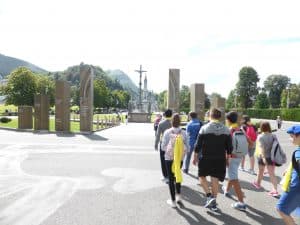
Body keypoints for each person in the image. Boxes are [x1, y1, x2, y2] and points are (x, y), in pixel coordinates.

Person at [193, 108, 232, 211]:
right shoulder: (226, 129)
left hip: (206, 157)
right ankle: (213, 203)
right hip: (220, 159)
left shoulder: (204, 128)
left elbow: (198, 145)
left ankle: (209, 196)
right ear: (219, 117)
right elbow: (229, 148)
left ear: (210, 116)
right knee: (215, 180)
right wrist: (228, 159)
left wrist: (195, 156)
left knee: (201, 177)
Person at [161, 113, 188, 207]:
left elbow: (163, 147)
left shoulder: (167, 132)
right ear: (180, 122)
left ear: (171, 121)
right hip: (179, 159)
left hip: (169, 158)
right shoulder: (184, 133)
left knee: (171, 178)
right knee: (177, 176)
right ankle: (179, 197)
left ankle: (173, 201)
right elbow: (187, 147)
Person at [223, 111, 247, 211]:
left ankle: (241, 202)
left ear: (228, 120)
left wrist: (225, 159)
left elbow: (226, 147)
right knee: (232, 174)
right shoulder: (240, 129)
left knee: (234, 178)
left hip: (231, 157)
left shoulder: (230, 130)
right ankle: (227, 190)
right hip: (240, 156)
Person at [277, 125, 300, 225]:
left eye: (292, 136)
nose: (290, 139)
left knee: (281, 209)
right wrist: (289, 170)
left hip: (295, 188)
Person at [252, 121, 279, 197]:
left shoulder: (260, 136)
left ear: (261, 127)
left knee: (261, 171)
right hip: (272, 157)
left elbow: (262, 148)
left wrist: (263, 158)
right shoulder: (274, 136)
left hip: (262, 157)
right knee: (271, 173)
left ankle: (258, 183)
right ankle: (275, 190)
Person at [155, 109, 173, 183]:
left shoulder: (161, 123)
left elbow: (158, 135)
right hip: (173, 143)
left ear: (164, 115)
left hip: (164, 144)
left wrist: (156, 144)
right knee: (172, 160)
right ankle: (172, 175)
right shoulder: (173, 122)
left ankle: (166, 176)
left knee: (163, 160)